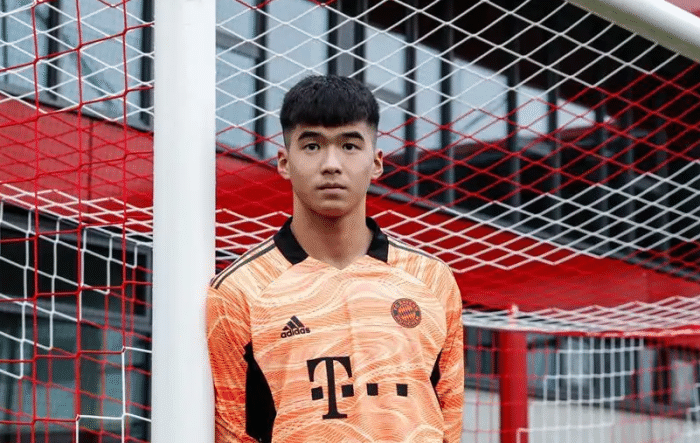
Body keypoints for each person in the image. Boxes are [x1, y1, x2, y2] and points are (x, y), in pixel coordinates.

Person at [206, 75, 464, 443]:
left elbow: (449, 422)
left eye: (349, 145)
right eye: (312, 146)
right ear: (284, 162)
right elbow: (232, 432)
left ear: (376, 162)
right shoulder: (238, 291)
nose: (331, 164)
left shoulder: (432, 280)